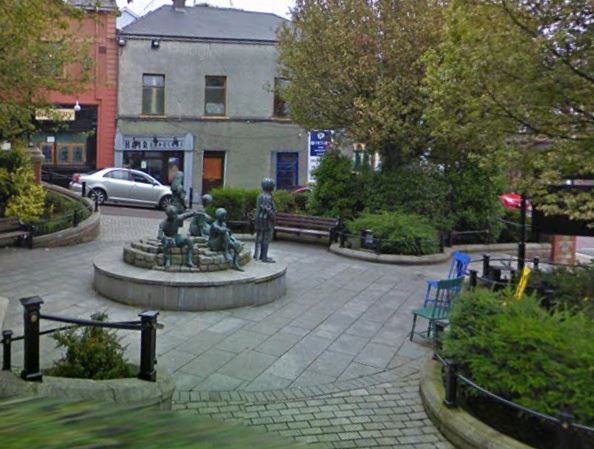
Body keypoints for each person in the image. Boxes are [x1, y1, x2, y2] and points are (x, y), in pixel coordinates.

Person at [254, 178, 276, 263]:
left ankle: (260, 255)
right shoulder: (267, 197)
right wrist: (274, 217)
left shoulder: (260, 195)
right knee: (266, 238)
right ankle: (264, 257)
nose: (273, 187)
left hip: (260, 219)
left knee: (261, 237)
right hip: (266, 220)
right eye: (272, 185)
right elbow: (268, 210)